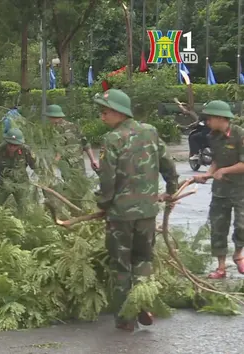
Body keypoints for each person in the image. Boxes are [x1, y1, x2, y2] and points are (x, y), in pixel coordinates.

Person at [94, 89, 178, 331]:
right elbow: (168, 163)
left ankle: (125, 318)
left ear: (119, 112)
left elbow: (107, 179)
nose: (102, 116)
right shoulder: (150, 131)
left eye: (105, 111)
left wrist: (103, 204)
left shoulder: (112, 139)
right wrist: (171, 189)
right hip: (147, 213)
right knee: (143, 260)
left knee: (121, 265)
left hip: (121, 215)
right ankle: (144, 304)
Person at [191, 100, 244, 279]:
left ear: (221, 118)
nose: (207, 123)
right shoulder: (212, 137)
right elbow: (216, 161)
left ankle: (238, 254)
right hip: (220, 190)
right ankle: (221, 267)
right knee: (218, 227)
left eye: (209, 118)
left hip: (240, 189)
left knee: (241, 225)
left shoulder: (239, 135)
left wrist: (224, 171)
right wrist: (208, 174)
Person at [45, 104, 99, 173]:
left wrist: (53, 165)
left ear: (50, 116)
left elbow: (60, 148)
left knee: (71, 182)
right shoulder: (74, 126)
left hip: (67, 164)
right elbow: (86, 144)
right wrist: (93, 160)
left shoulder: (56, 129)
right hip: (79, 163)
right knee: (82, 182)